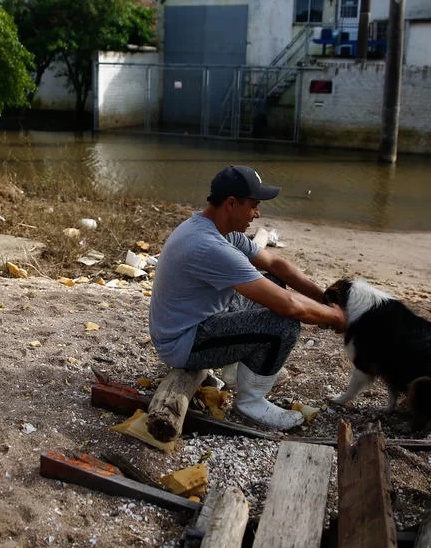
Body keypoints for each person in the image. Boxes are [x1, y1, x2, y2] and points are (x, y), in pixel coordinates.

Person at [148, 165, 347, 430]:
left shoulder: (220, 229)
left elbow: (276, 264)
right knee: (283, 324)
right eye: (253, 206)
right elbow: (289, 306)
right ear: (231, 203)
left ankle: (236, 370)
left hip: (197, 319)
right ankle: (251, 401)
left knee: (273, 282)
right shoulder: (209, 245)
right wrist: (337, 317)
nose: (257, 214)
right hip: (182, 343)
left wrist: (324, 299)